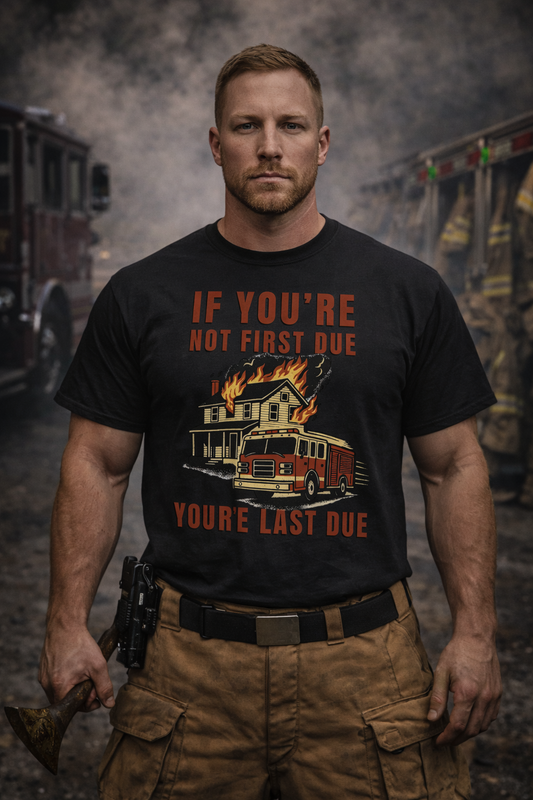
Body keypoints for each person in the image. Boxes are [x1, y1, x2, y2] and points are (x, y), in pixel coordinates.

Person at [39, 44, 501, 799]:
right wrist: (65, 624)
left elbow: (452, 466)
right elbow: (97, 463)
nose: (269, 146)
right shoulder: (141, 294)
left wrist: (476, 634)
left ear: (322, 142)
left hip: (365, 664)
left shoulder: (407, 292)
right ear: (216, 143)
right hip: (188, 668)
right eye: (246, 125)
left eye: (290, 125)